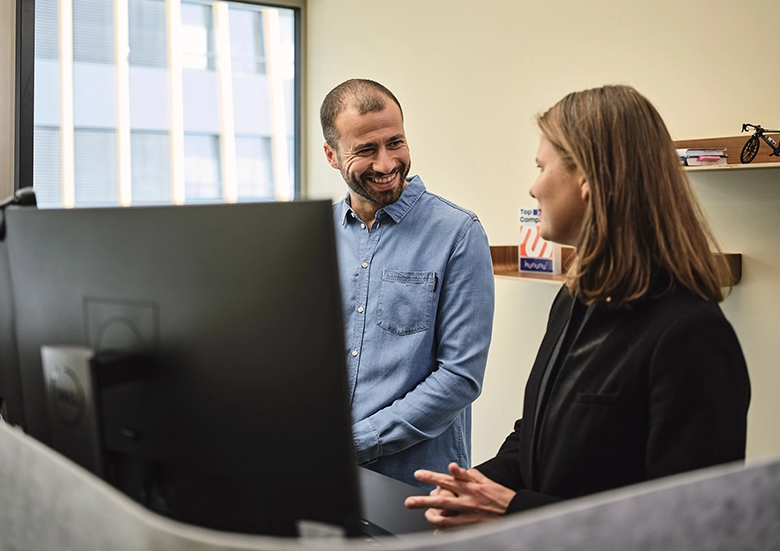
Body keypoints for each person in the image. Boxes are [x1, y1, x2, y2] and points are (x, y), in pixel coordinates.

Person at [405, 84, 751, 527]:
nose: (533, 188)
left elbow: (691, 526)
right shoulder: (574, 299)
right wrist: (468, 489)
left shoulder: (690, 334)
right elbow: (535, 436)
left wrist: (511, 509)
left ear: (588, 179)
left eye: (541, 167)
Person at [320, 79, 495, 487]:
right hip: (322, 477)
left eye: (395, 143)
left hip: (416, 486)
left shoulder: (459, 233)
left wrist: (355, 443)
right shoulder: (315, 236)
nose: (385, 164)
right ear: (332, 155)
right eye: (365, 150)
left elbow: (460, 378)